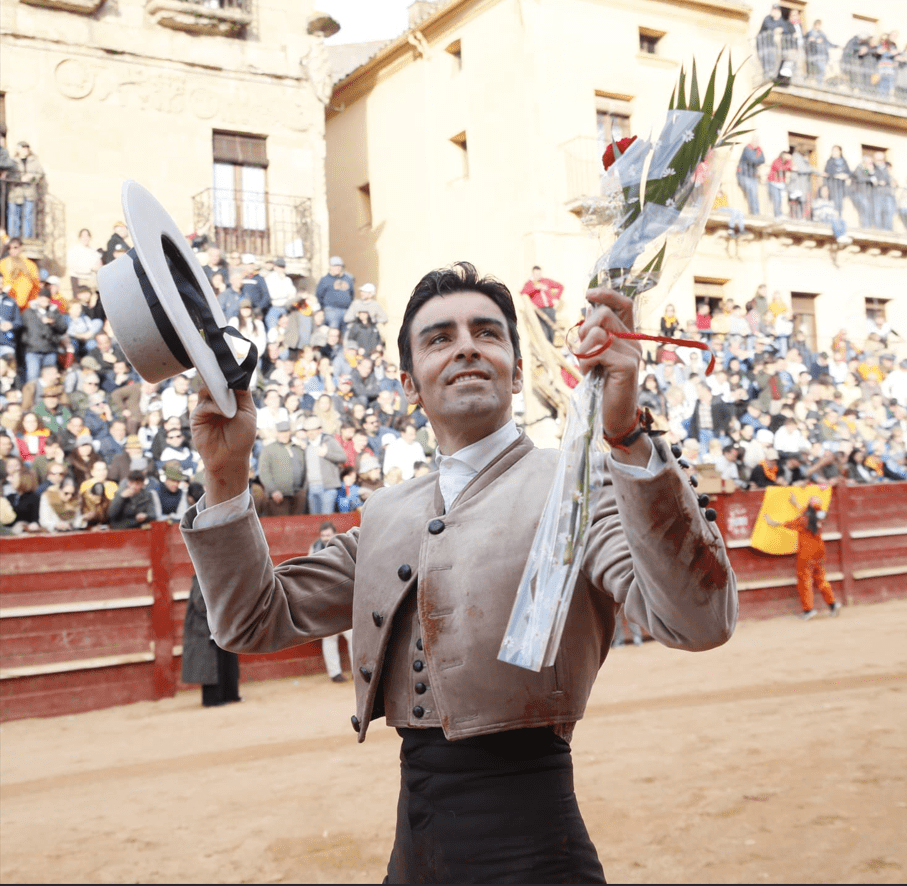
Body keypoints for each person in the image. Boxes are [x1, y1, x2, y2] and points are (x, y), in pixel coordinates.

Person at [181, 260, 736, 883]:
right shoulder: (389, 514)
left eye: (488, 333)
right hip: (415, 856)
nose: (467, 347)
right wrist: (225, 475)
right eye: (439, 338)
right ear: (409, 385)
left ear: (518, 371)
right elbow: (252, 621)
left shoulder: (581, 484)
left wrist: (627, 434)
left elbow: (698, 621)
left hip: (536, 857)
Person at [765, 495, 841, 620]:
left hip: (807, 553)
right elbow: (805, 511)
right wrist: (795, 503)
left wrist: (773, 522)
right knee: (821, 579)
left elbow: (789, 524)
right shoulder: (819, 517)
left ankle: (808, 609)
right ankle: (832, 604)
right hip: (820, 551)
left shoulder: (803, 520)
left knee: (805, 580)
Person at [181, 574, 242, 707]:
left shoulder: (219, 576)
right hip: (205, 627)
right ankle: (213, 699)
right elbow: (201, 604)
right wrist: (220, 616)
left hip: (221, 623)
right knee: (211, 663)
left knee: (227, 658)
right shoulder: (201, 577)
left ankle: (230, 694)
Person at [307, 521, 354, 683]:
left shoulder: (343, 546)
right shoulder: (314, 549)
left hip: (344, 597)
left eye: (328, 535)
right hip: (325, 599)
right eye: (323, 535)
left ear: (334, 533)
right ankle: (335, 673)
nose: (325, 538)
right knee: (330, 637)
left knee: (353, 636)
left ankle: (357, 671)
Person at [6, 141, 44, 240]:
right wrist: (20, 178)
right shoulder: (13, 161)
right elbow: (8, 175)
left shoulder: (34, 161)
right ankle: (13, 238)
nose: (25, 150)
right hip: (16, 192)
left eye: (27, 148)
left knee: (28, 215)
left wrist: (32, 176)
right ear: (18, 149)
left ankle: (27, 237)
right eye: (23, 148)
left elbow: (40, 173)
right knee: (14, 216)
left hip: (29, 193)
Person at [520, 265, 564, 343]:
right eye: (536, 274)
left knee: (551, 330)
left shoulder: (546, 281)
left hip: (550, 309)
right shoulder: (529, 283)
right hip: (539, 311)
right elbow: (523, 292)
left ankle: (551, 348)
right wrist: (535, 288)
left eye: (539, 274)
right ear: (533, 274)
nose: (538, 276)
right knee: (543, 331)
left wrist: (556, 298)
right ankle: (546, 350)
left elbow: (560, 286)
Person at [316, 255, 355, 332]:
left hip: (346, 310)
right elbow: (319, 295)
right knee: (333, 331)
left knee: (347, 332)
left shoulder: (347, 279)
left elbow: (352, 293)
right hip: (331, 310)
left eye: (339, 266)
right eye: (335, 265)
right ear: (330, 266)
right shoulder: (325, 280)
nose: (337, 268)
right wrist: (324, 307)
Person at [736, 135, 765, 215]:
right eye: (755, 141)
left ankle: (756, 213)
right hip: (744, 175)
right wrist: (757, 159)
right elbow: (752, 159)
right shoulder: (747, 149)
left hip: (753, 176)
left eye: (757, 142)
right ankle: (754, 212)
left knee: (755, 195)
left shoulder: (759, 150)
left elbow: (762, 160)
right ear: (752, 141)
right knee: (751, 193)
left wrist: (756, 159)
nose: (756, 143)